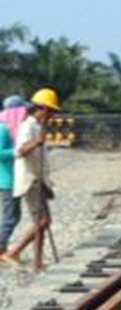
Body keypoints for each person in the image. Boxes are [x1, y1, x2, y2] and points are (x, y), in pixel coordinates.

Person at [1, 88, 60, 271]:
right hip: (27, 181)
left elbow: (39, 159)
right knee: (39, 221)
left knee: (42, 221)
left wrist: (46, 183)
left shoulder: (35, 126)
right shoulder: (27, 126)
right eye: (50, 111)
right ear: (41, 108)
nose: (51, 115)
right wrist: (37, 142)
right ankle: (16, 253)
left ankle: (36, 261)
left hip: (36, 180)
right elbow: (21, 151)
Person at [0, 95, 28, 258]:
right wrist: (17, 151)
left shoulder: (10, 129)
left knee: (14, 216)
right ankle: (1, 249)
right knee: (10, 216)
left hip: (12, 179)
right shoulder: (3, 129)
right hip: (6, 180)